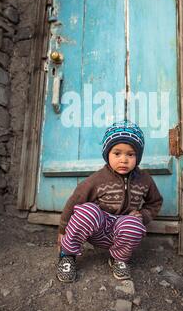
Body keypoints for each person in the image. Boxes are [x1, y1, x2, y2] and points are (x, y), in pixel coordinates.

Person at [56, 121, 163, 283]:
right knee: (87, 210)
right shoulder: (98, 179)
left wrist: (143, 215)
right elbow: (75, 200)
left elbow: (155, 202)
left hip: (120, 232)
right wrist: (63, 229)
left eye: (130, 154)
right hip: (98, 229)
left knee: (134, 224)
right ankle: (67, 254)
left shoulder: (144, 180)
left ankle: (118, 259)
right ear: (107, 154)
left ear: (138, 157)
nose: (124, 160)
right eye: (117, 153)